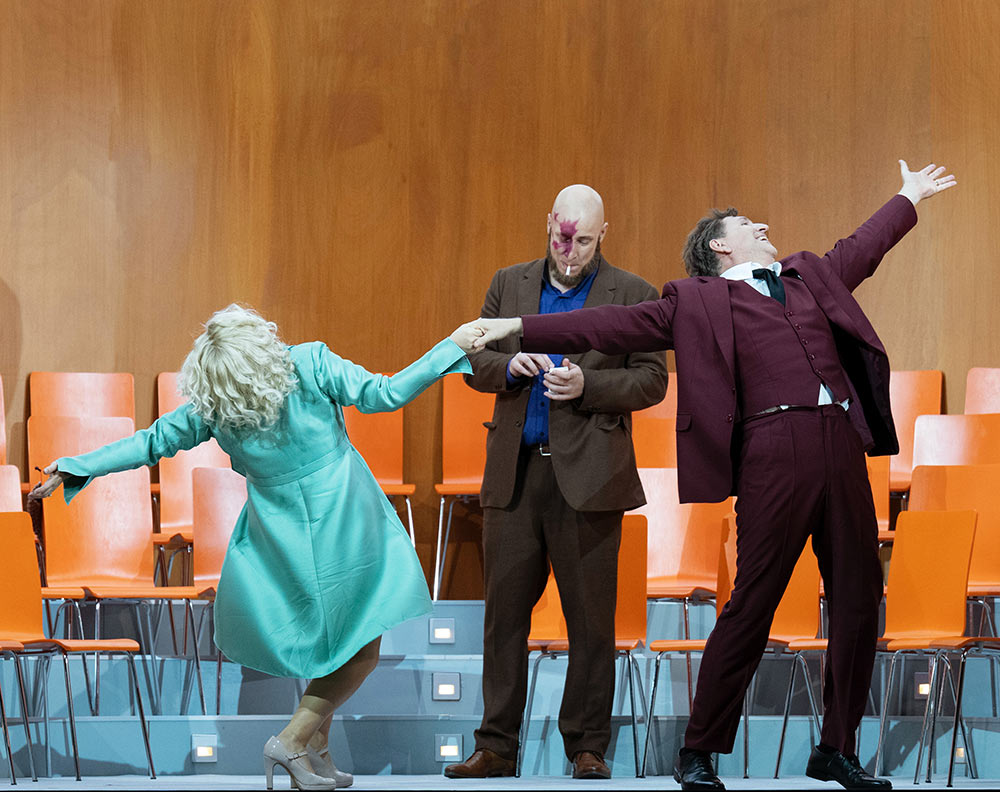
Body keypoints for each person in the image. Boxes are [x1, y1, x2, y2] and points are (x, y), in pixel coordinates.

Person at [471, 161, 957, 792]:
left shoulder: (808, 275)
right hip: (771, 450)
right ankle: (699, 749)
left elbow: (862, 249)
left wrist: (908, 195)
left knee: (861, 599)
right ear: (720, 246)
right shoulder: (696, 300)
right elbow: (608, 325)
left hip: (840, 442)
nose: (763, 225)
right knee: (754, 598)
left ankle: (836, 746)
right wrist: (517, 326)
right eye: (747, 223)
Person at [30, 304, 486, 792]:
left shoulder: (215, 406)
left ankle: (317, 752)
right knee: (361, 649)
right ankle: (290, 741)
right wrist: (452, 347)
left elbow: (150, 441)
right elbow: (385, 394)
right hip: (346, 524)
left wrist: (76, 465)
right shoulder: (309, 362)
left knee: (332, 648)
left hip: (281, 537)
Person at [444, 184, 668, 781]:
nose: (570, 254)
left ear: (603, 234)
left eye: (584, 242)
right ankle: (496, 745)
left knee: (592, 623)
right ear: (548, 224)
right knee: (504, 621)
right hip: (516, 476)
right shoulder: (508, 284)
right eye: (561, 239)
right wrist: (507, 366)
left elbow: (652, 380)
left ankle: (587, 746)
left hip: (591, 480)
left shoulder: (635, 295)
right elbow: (472, 360)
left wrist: (588, 388)